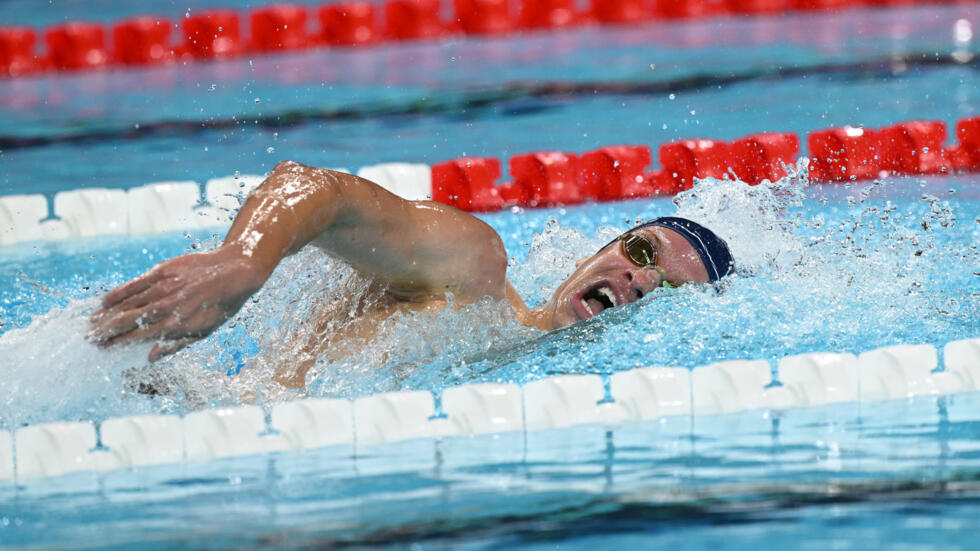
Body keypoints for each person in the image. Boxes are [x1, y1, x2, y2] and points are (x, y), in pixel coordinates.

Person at [89, 160, 734, 387]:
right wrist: (243, 261)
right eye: (644, 256)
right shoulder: (474, 271)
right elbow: (316, 189)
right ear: (594, 253)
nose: (639, 283)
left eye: (668, 291)